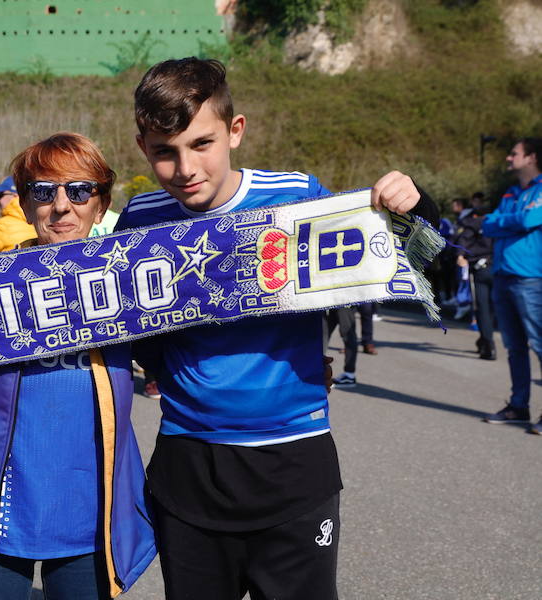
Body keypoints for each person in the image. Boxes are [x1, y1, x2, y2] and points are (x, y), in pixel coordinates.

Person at [116, 57, 439, 599]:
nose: (186, 167)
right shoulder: (140, 220)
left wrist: (413, 200)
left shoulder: (294, 195)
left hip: (294, 461)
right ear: (143, 147)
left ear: (234, 131)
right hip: (188, 465)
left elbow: (408, 253)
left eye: (201, 143)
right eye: (164, 152)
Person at [0, 132, 156, 600]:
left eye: (80, 189)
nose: (61, 205)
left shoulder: (130, 284)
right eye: (43, 192)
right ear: (24, 206)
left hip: (90, 515)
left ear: (101, 203)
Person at [482, 137, 542, 433]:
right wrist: (512, 220)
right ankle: (519, 405)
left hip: (531, 278)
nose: (509, 158)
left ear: (531, 158)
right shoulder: (510, 193)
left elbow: (532, 218)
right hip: (504, 276)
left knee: (539, 345)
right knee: (514, 347)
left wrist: (506, 220)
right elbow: (487, 224)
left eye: (514, 153)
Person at [453, 195, 495, 360]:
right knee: (490, 309)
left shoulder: (474, 223)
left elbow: (462, 240)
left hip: (480, 269)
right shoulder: (499, 223)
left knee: (482, 308)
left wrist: (460, 256)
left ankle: (488, 345)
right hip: (499, 268)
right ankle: (485, 339)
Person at [327, 307, 359, 387]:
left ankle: (349, 375)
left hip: (344, 301)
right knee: (323, 333)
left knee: (348, 334)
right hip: (330, 299)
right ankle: (314, 370)